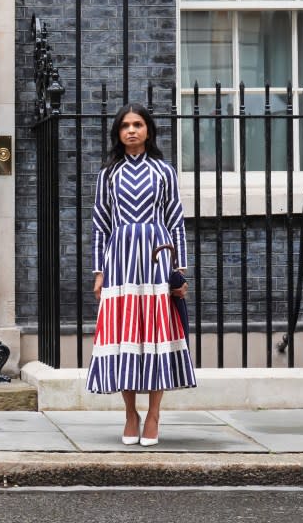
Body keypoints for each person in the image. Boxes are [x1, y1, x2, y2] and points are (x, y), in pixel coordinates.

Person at [86, 102, 196, 447]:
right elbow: (100, 225)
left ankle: (154, 414)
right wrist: (99, 272)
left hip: (156, 258)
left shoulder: (165, 171)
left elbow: (175, 219)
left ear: (148, 129)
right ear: (118, 133)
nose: (131, 130)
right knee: (124, 336)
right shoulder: (108, 174)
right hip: (120, 260)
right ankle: (131, 413)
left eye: (137, 124)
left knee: (156, 335)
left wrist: (179, 271)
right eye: (125, 126)